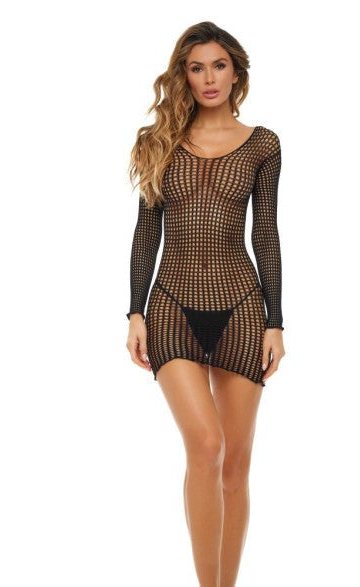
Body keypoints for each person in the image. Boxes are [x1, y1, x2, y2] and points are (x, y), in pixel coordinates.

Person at [124, 21, 286, 587]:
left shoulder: (263, 144)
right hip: (171, 307)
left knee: (235, 466)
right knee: (207, 446)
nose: (209, 78)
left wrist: (275, 321)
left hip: (242, 308)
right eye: (196, 67)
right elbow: (147, 233)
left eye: (219, 65)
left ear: (236, 72)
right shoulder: (159, 142)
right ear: (184, 75)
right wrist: (135, 311)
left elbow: (265, 233)